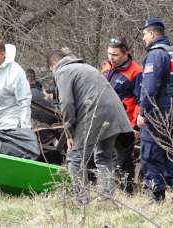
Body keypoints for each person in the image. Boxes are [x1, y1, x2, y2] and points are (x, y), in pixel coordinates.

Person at [47, 49, 132, 200]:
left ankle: (81, 200)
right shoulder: (86, 67)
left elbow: (66, 104)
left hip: (95, 112)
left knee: (75, 158)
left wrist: (69, 133)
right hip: (115, 112)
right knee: (104, 156)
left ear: (53, 66)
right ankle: (107, 198)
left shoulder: (62, 72)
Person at [138, 18, 173, 202]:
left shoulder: (156, 54)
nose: (143, 39)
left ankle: (156, 195)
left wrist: (143, 113)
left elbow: (149, 89)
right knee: (171, 153)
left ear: (151, 33)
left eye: (144, 34)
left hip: (159, 114)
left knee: (150, 154)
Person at [100, 37, 143, 194]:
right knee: (101, 157)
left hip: (126, 124)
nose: (111, 57)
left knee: (124, 161)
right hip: (104, 121)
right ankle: (102, 190)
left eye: (115, 55)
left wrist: (136, 126)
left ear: (126, 53)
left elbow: (141, 100)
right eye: (109, 53)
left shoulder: (136, 72)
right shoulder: (105, 67)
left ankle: (128, 192)